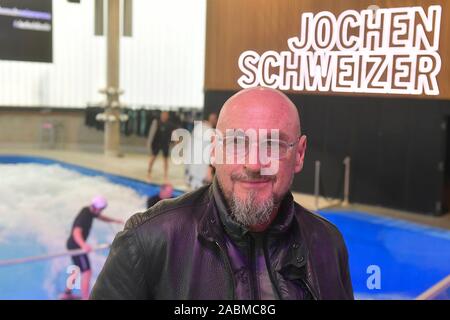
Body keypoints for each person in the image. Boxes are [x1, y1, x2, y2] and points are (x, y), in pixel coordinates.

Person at [91, 87, 353, 300]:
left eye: (273, 144)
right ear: (214, 150)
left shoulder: (327, 245)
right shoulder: (148, 242)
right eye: (237, 142)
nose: (254, 164)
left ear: (299, 154)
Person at [62, 196, 124, 300]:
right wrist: (83, 245)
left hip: (72, 244)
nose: (101, 211)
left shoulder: (88, 210)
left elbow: (101, 217)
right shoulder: (85, 216)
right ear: (97, 208)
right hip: (76, 247)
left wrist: (115, 220)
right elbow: (76, 232)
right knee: (87, 271)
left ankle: (66, 294)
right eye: (101, 209)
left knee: (77, 269)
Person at [185, 112, 218, 189]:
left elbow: (190, 149)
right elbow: (213, 152)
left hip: (194, 170)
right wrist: (209, 169)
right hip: (202, 170)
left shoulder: (197, 128)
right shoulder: (211, 132)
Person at [147, 111, 177, 182]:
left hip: (165, 144)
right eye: (163, 115)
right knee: (152, 158)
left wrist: (176, 143)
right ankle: (148, 173)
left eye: (165, 115)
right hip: (157, 143)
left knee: (165, 160)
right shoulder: (156, 122)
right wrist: (149, 142)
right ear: (161, 115)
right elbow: (151, 132)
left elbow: (174, 133)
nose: (164, 116)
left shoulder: (169, 125)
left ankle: (165, 176)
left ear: (167, 116)